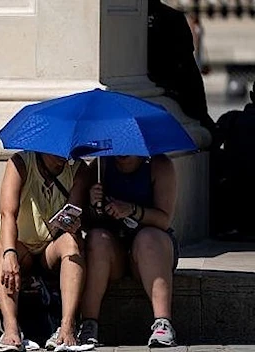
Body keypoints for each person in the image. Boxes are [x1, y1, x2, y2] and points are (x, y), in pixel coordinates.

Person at [0, 151, 91, 351]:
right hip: (20, 244)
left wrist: (74, 222)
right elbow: (7, 213)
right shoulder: (20, 163)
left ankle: (67, 326)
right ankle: (11, 329)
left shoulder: (78, 170)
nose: (62, 157)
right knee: (3, 247)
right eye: (56, 152)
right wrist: (9, 253)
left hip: (49, 248)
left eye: (66, 152)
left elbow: (74, 208)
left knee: (72, 243)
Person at [77, 155, 180, 348]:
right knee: (97, 238)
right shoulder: (100, 166)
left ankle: (163, 323)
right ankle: (89, 323)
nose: (122, 152)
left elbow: (164, 220)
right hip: (113, 252)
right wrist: (92, 204)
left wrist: (132, 210)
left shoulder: (159, 166)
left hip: (152, 251)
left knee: (147, 238)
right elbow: (86, 223)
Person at [147, 0, 218, 144]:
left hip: (168, 90)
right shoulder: (173, 17)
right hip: (171, 92)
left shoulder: (172, 17)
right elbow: (188, 71)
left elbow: (188, 68)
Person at [213, 82, 255, 238]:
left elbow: (211, 146)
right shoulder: (232, 120)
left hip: (236, 199)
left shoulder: (231, 119)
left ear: (251, 96)